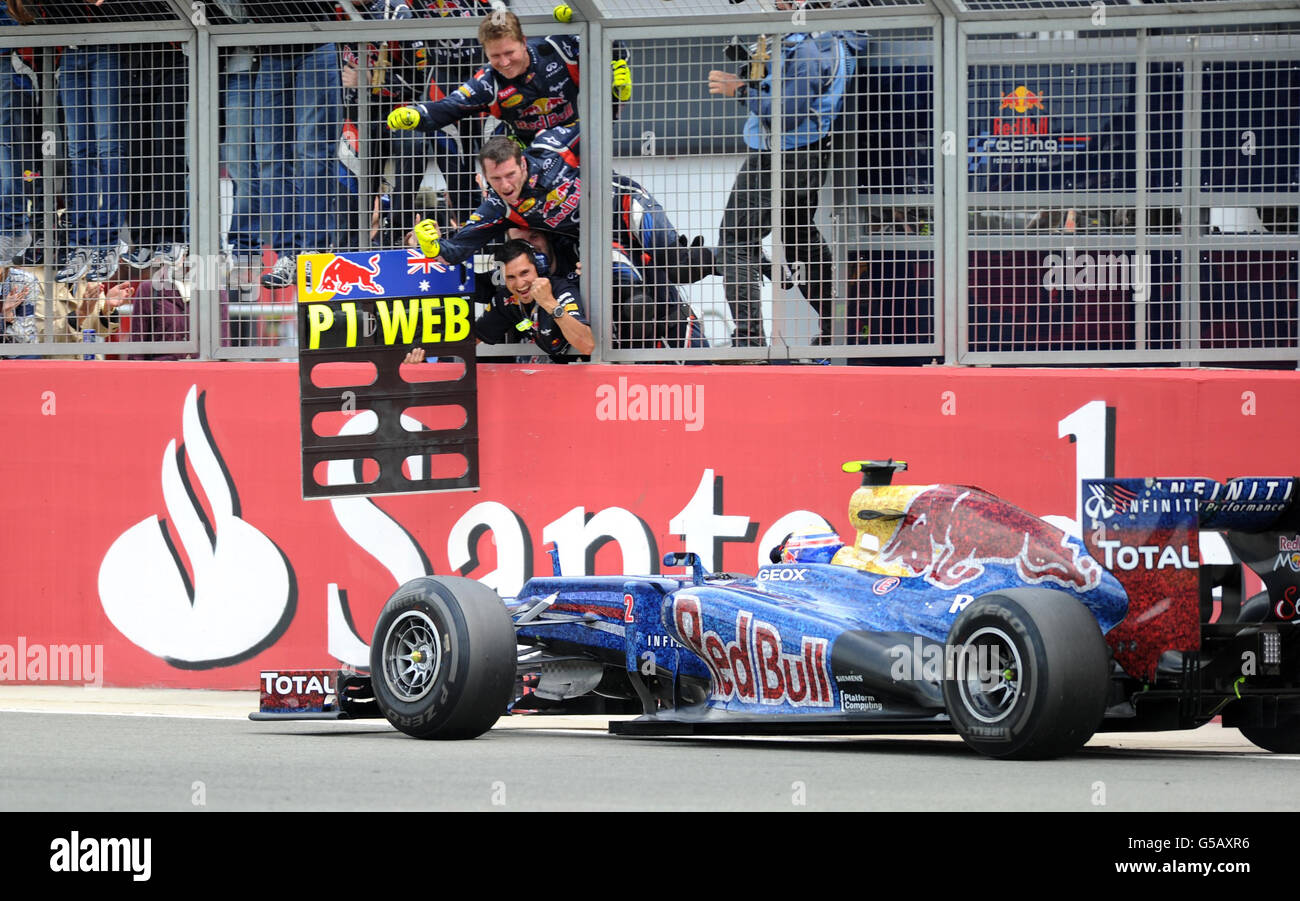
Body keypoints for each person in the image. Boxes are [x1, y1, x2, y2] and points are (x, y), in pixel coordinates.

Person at [707, 1, 865, 346]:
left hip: (779, 155)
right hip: (806, 153)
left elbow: (785, 114)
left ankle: (748, 340)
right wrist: (755, 79)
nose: (776, 4)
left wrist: (742, 88)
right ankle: (836, 324)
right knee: (797, 234)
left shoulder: (810, 43)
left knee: (736, 238)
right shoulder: (826, 36)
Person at [413, 134, 712, 288]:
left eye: (510, 176)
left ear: (522, 164)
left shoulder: (553, 152)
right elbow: (455, 250)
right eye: (495, 180)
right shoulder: (497, 205)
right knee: (628, 287)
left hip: (624, 204)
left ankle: (738, 259)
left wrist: (617, 92)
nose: (505, 186)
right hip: (597, 238)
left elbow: (598, 112)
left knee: (676, 265)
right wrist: (432, 245)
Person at [384, 8, 631, 163]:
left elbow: (609, 43)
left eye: (509, 52)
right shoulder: (487, 81)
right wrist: (417, 114)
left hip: (582, 148)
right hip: (529, 160)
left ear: (524, 41)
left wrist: (581, 19)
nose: (504, 62)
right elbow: (451, 105)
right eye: (495, 56)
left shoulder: (557, 47)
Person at [408, 236, 592, 362]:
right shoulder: (507, 300)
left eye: (525, 273)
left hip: (591, 367)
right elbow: (471, 340)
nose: (520, 284)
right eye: (511, 277)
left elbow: (587, 345)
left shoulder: (560, 289)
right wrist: (423, 354)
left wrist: (550, 304)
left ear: (539, 268)